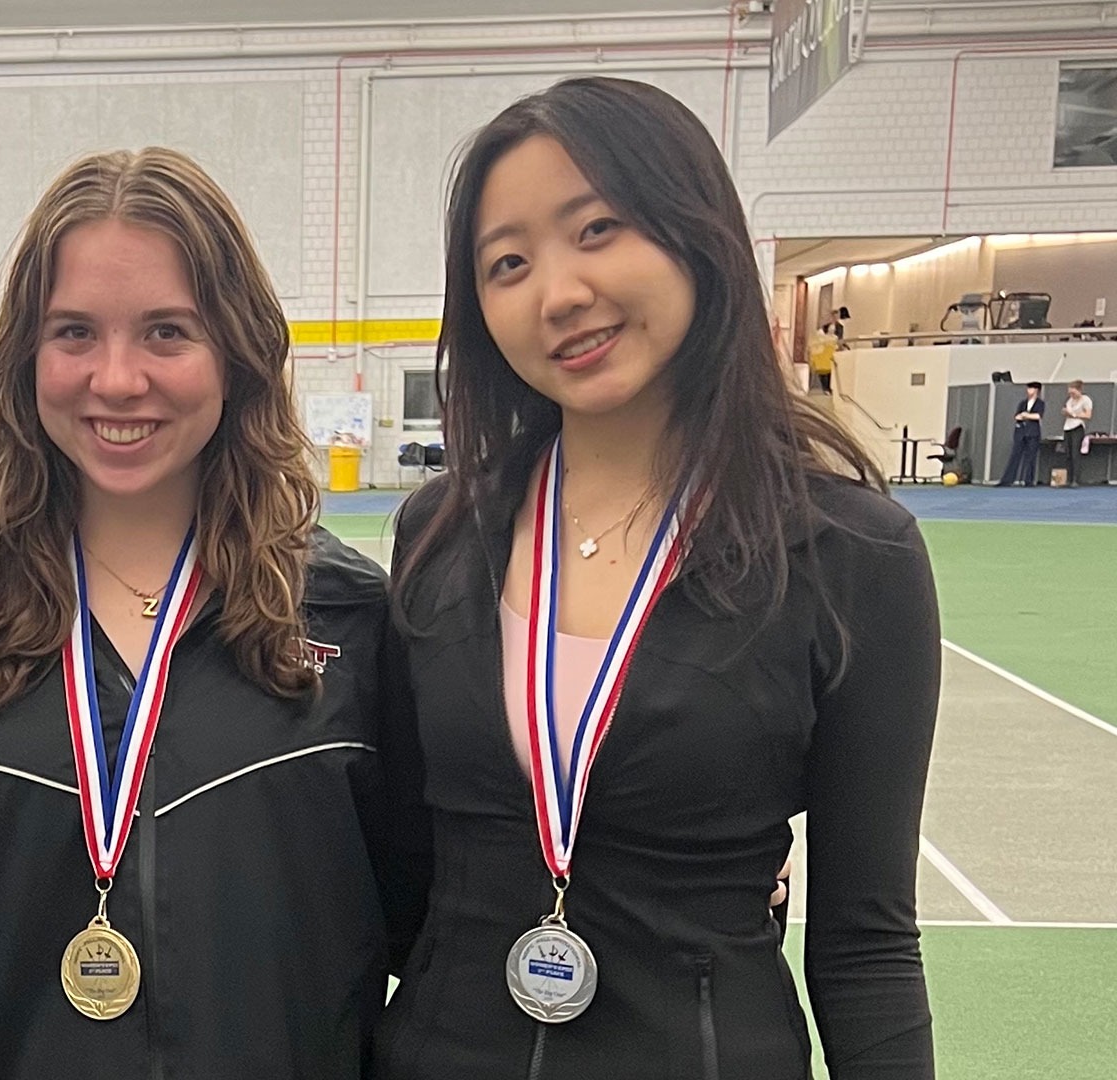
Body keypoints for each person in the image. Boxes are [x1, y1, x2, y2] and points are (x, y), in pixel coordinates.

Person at [377, 78, 938, 1079]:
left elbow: (868, 944)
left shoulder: (853, 553)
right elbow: (405, 867)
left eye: (597, 230)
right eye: (508, 263)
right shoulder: (438, 534)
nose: (557, 293)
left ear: (697, 235)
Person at [0, 148, 427, 1079]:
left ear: (235, 354)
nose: (117, 379)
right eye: (74, 332)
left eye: (167, 332)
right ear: (26, 358)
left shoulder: (349, 620)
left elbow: (426, 929)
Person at [998, 380, 1045, 486]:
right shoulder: (1022, 403)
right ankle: (1007, 480)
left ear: (1036, 390)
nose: (1028, 390)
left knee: (1031, 457)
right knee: (1015, 455)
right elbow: (1017, 416)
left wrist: (1026, 415)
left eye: (1031, 388)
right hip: (1021, 431)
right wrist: (1023, 416)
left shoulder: (1040, 403)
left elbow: (1038, 416)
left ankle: (1028, 481)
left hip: (1033, 433)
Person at [1061, 380, 1093, 486]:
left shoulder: (1086, 400)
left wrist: (1074, 415)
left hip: (1077, 427)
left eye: (1073, 393)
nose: (1072, 395)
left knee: (1075, 453)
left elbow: (1088, 415)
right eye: (1070, 393)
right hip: (1067, 427)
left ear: (1079, 390)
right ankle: (1068, 478)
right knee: (1068, 454)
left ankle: (1075, 479)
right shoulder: (1069, 401)